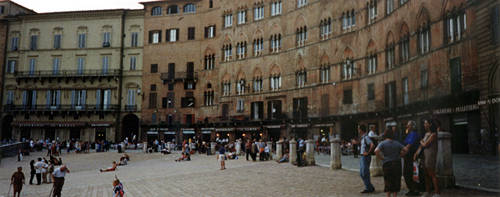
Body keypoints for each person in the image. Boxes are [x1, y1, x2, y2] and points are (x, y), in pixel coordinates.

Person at [375, 129, 408, 197]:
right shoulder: (397, 143)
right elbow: (406, 149)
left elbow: (376, 151)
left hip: (387, 164)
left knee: (388, 181)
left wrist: (382, 158)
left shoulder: (383, 143)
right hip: (396, 163)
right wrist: (401, 155)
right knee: (396, 181)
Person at [414, 119, 440, 197]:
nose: (424, 125)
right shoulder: (426, 134)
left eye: (426, 123)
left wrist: (421, 141)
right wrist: (416, 153)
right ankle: (427, 191)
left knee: (432, 173)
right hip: (424, 155)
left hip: (430, 155)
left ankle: (437, 192)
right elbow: (422, 145)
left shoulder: (433, 134)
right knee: (426, 174)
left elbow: (425, 144)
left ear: (430, 124)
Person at [353, 124, 375, 193]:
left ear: (361, 130)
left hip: (365, 157)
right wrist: (356, 143)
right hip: (362, 156)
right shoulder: (363, 137)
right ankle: (369, 187)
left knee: (364, 173)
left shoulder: (366, 137)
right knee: (362, 173)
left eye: (358, 129)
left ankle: (369, 188)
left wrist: (368, 152)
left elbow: (372, 145)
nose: (358, 130)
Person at [403, 120, 421, 196]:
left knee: (410, 173)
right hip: (408, 156)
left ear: (412, 126)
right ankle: (412, 189)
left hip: (411, 156)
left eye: (409, 125)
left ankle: (414, 190)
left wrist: (401, 152)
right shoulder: (409, 134)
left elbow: (409, 145)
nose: (407, 126)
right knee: (407, 173)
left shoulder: (413, 134)